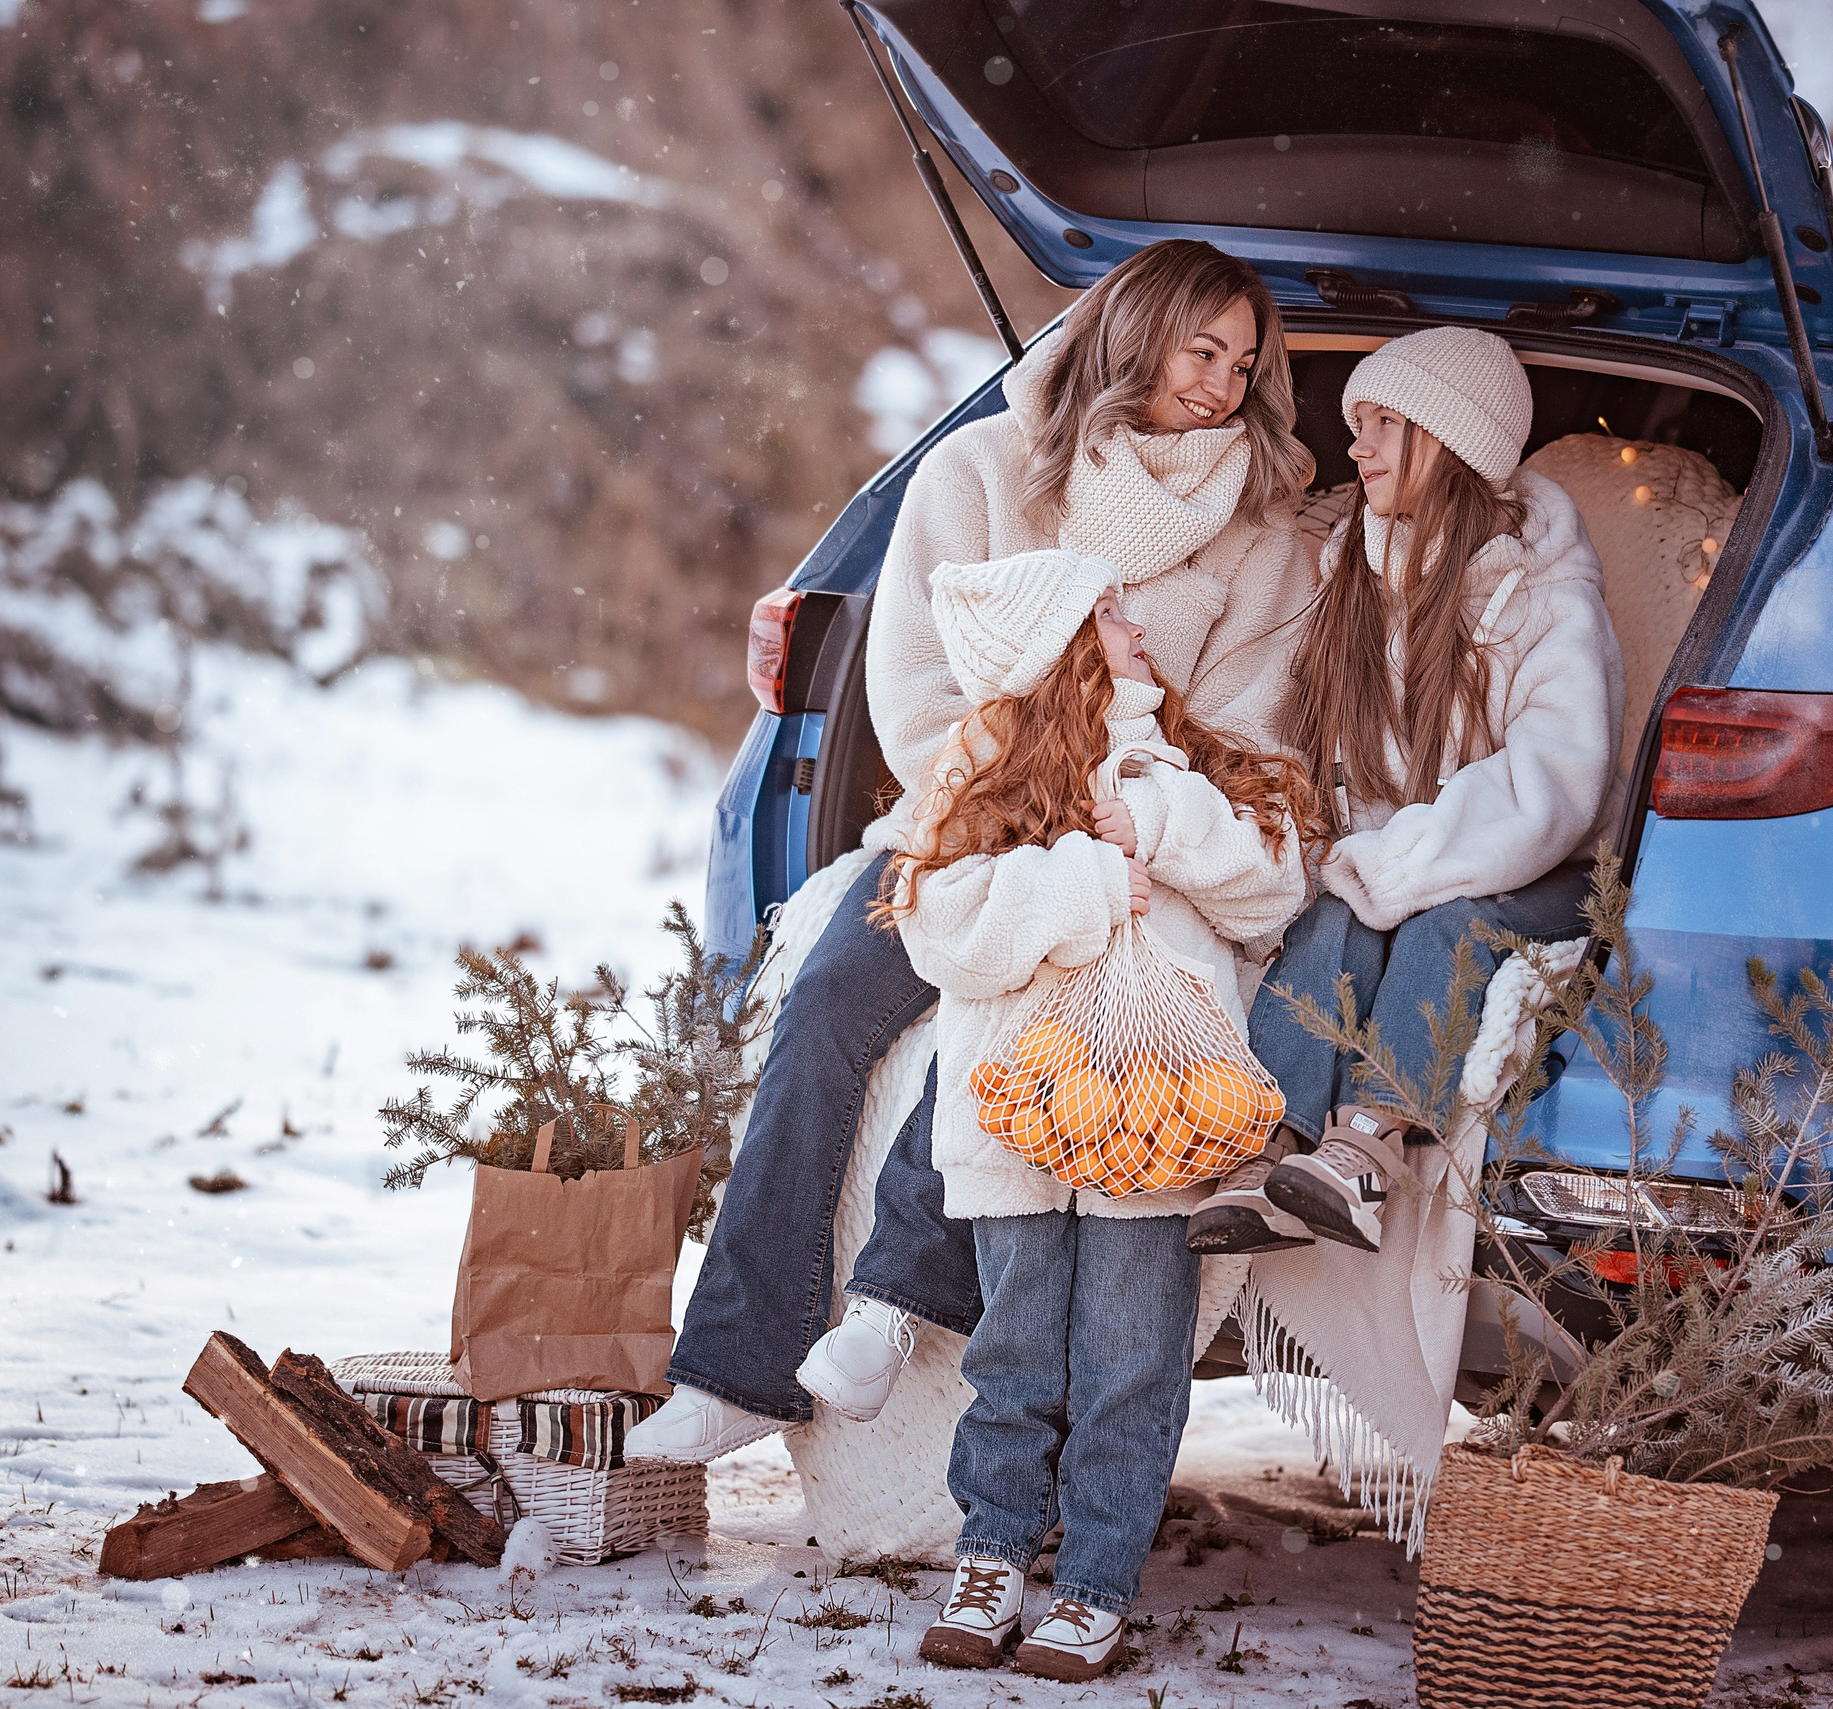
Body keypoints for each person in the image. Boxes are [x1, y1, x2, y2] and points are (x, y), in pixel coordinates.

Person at [634, 239, 1318, 1461]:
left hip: (1135, 847)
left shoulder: (1264, 536)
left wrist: (1114, 814)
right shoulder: (979, 471)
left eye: (1244, 363)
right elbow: (908, 692)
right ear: (1133, 333)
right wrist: (1025, 792)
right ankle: (733, 1372)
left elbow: (1250, 738)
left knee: (1024, 1004)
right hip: (965, 820)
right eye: (1200, 349)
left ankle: (899, 1306)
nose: (1222, 384)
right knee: (833, 994)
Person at [891, 553, 1309, 1680]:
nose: (1135, 625)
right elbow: (940, 932)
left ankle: (1094, 1582)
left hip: (1155, 1106)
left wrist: (1160, 826)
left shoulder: (1175, 762)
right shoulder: (974, 768)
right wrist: (1079, 882)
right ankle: (992, 1553)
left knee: (1131, 1357)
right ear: (1053, 646)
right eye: (1108, 612)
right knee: (1015, 1352)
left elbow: (1274, 888)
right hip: (1018, 1116)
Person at [1190, 325, 1625, 1256]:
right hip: (1397, 852)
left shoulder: (1545, 597)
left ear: (1453, 441)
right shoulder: (1346, 566)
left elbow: (1556, 781)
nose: (1357, 446)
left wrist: (1405, 861)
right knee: (1333, 915)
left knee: (1445, 924)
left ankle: (1371, 1143)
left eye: (1385, 422)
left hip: (1536, 866)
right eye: (1359, 421)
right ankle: (1268, 1142)